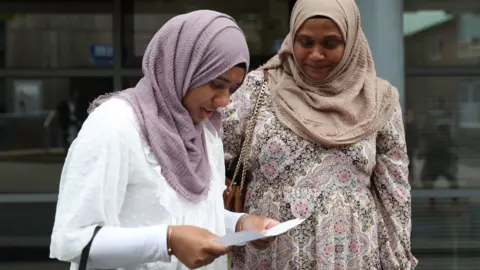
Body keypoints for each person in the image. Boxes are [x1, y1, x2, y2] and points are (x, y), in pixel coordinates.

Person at [50, 10, 279, 270]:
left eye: (232, 89)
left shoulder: (205, 130)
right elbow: (72, 241)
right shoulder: (116, 123)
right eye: (216, 83)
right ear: (183, 67)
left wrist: (240, 224)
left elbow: (192, 213)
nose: (224, 101)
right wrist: (167, 241)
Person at [221, 0, 418, 269]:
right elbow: (208, 155)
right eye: (305, 42)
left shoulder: (378, 99)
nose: (316, 54)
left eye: (329, 44)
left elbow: (394, 192)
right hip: (270, 253)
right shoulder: (260, 88)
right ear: (292, 39)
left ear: (350, 41)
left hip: (351, 253)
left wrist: (399, 260)